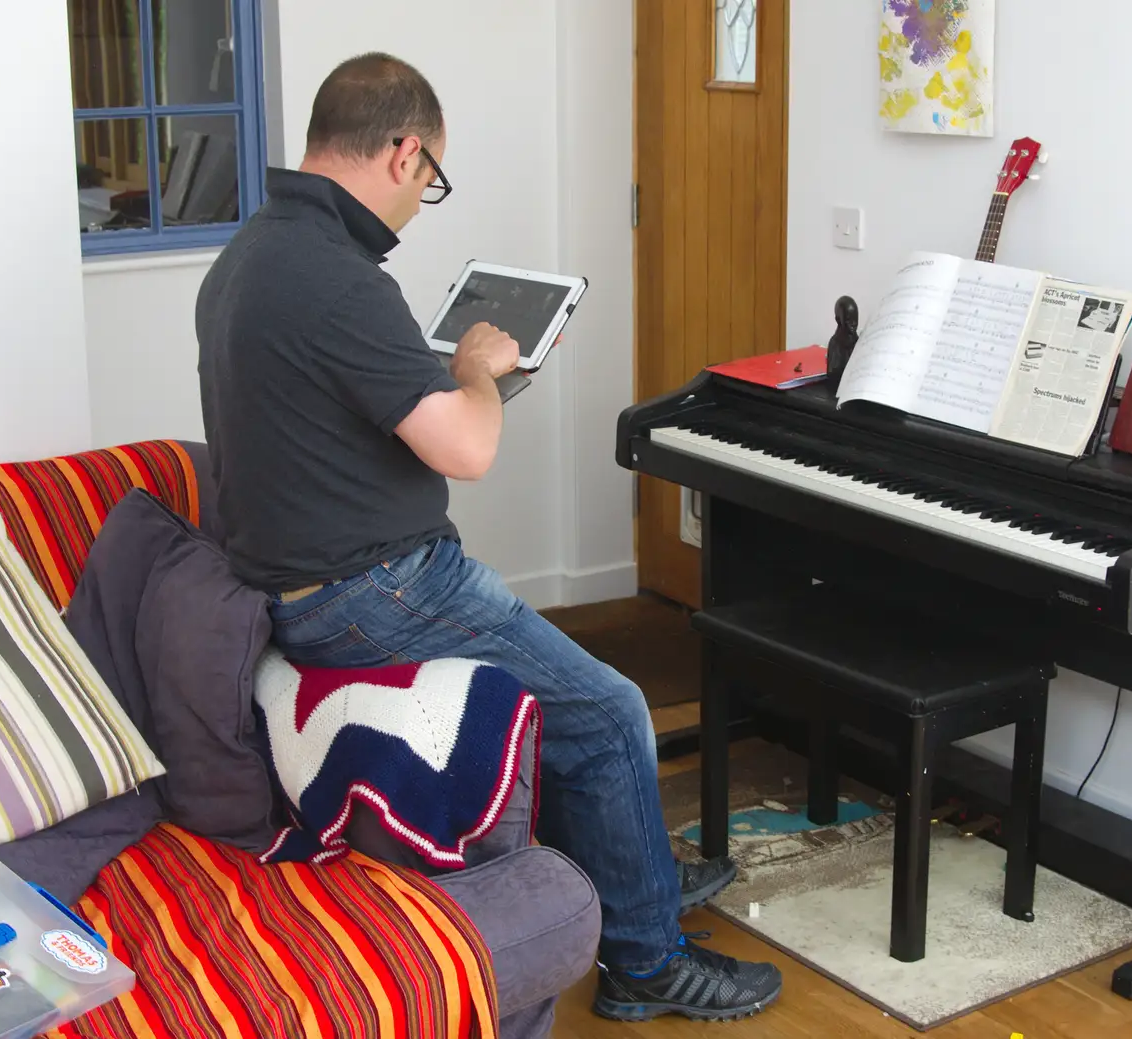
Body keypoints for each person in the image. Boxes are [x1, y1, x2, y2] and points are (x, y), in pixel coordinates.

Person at [195, 52, 782, 1023]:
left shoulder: (250, 255)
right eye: (430, 181)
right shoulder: (339, 281)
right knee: (609, 711)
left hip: (305, 584)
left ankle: (632, 874)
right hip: (373, 592)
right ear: (404, 151)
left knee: (574, 704)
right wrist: (474, 367)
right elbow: (467, 448)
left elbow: (325, 418)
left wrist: (443, 381)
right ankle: (646, 962)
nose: (422, 201)